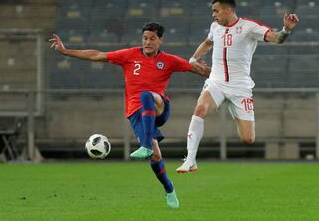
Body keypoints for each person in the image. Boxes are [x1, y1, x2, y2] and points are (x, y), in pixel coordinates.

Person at [49, 22, 210, 208]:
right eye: (145, 38)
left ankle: (146, 144)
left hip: (159, 107)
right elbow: (97, 55)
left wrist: (216, 76)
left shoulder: (169, 60)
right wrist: (66, 51)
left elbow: (199, 71)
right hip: (136, 114)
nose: (147, 42)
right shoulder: (129, 55)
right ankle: (169, 188)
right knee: (156, 157)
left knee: (146, 95)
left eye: (152, 39)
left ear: (160, 40)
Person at [176, 0, 299, 173]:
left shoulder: (249, 27)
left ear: (227, 10)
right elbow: (207, 42)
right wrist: (193, 60)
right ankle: (191, 159)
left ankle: (234, 109)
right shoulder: (215, 27)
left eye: (216, 11)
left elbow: (277, 38)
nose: (213, 15)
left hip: (240, 88)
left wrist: (286, 30)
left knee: (248, 139)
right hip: (216, 82)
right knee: (200, 109)